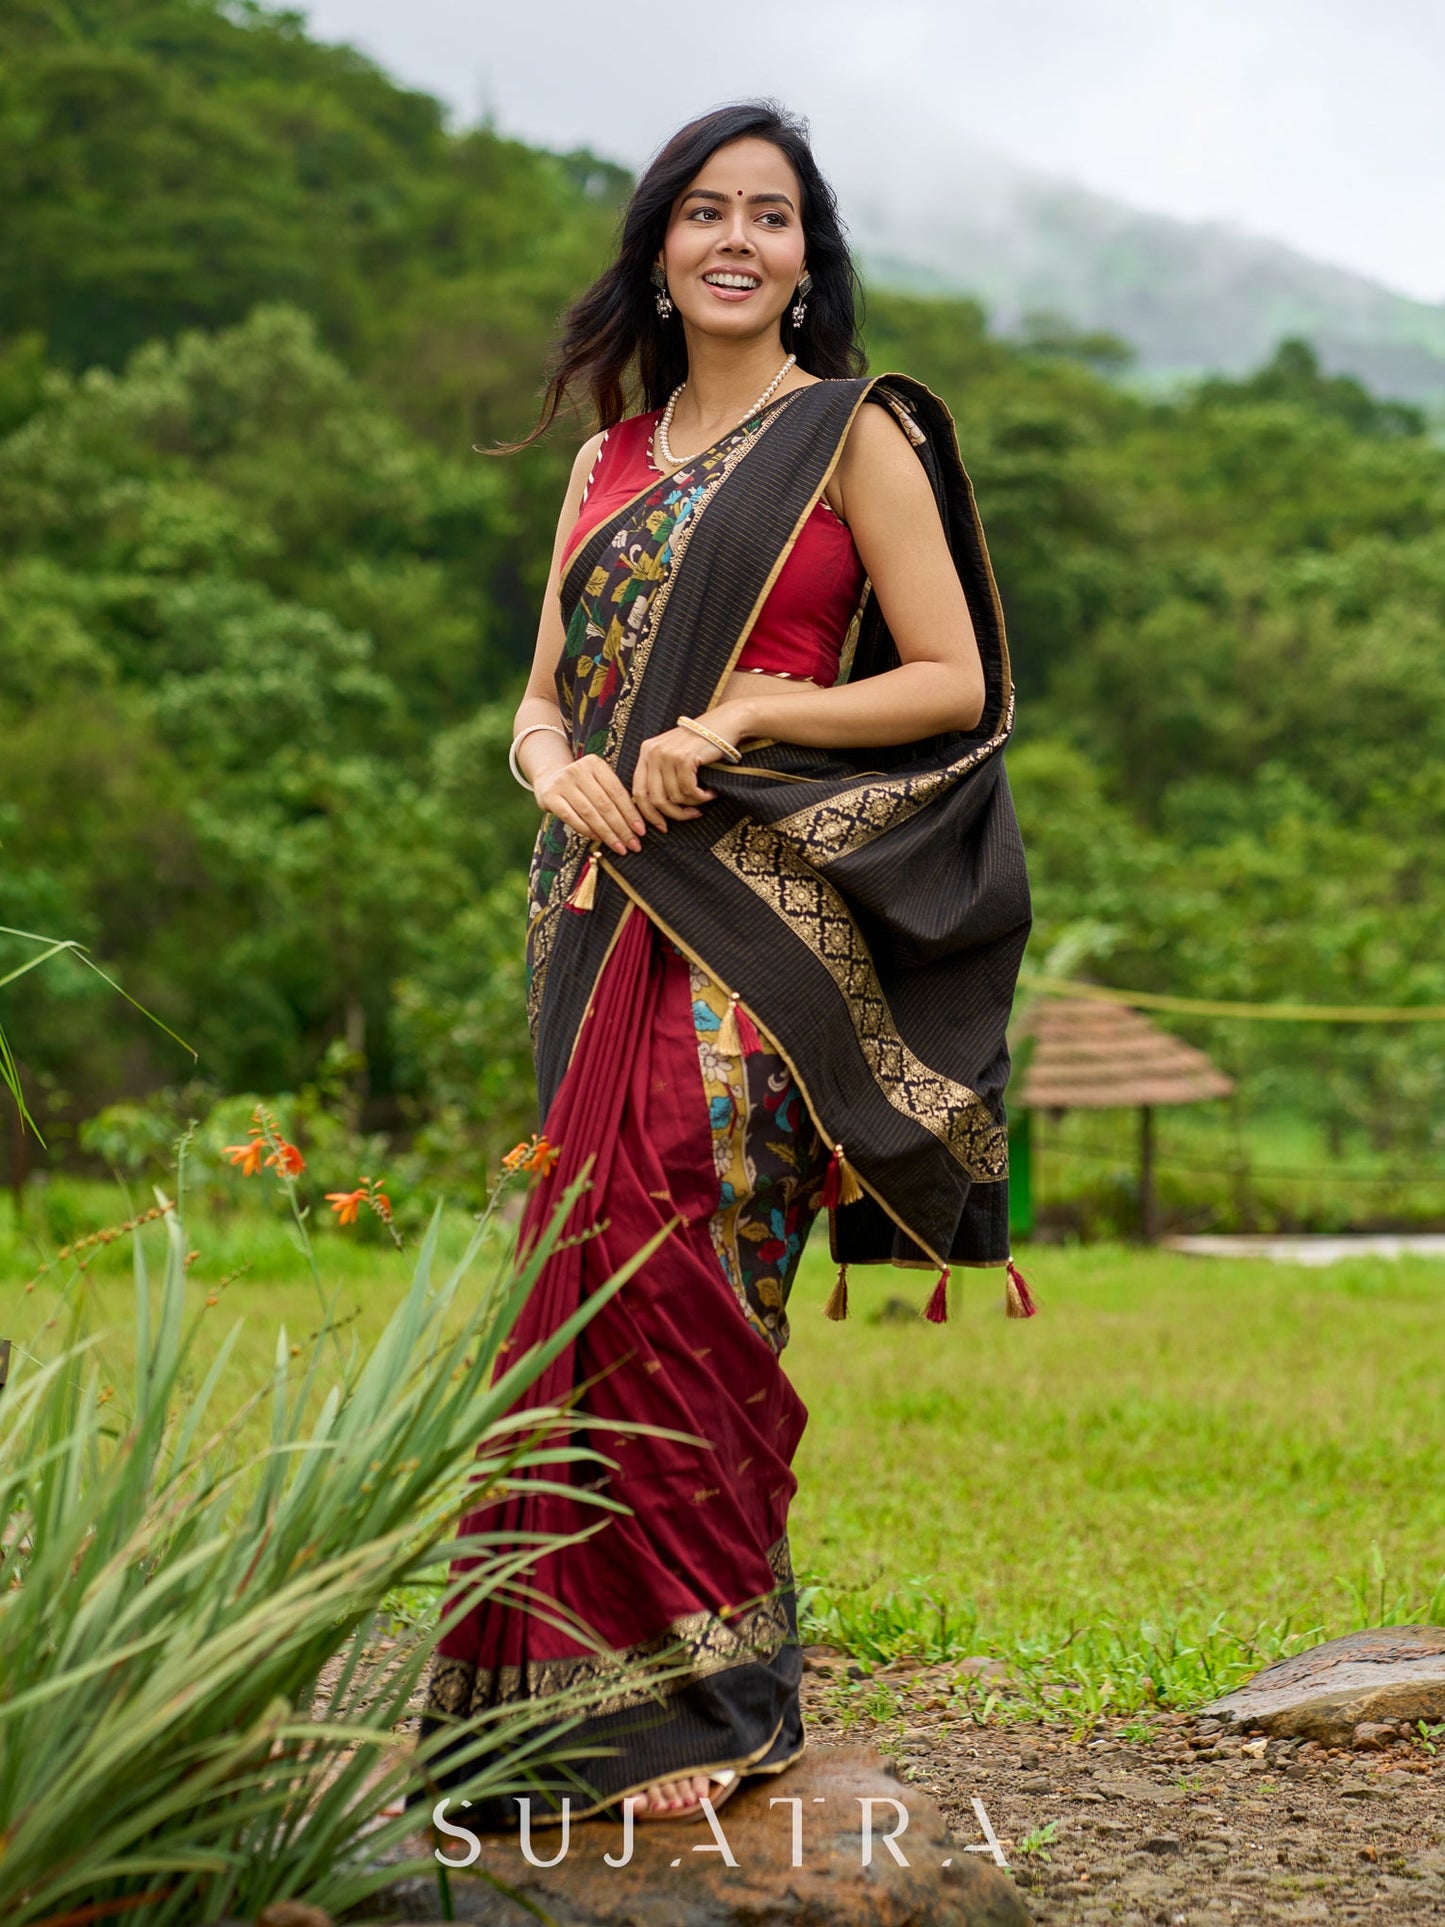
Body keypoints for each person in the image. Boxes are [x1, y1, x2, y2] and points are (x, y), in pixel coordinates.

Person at [419, 99, 1032, 1830]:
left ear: (804, 257)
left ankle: (712, 1694)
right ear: (660, 250)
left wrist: (759, 707)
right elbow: (539, 698)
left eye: (771, 214)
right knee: (577, 1267)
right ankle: (545, 1711)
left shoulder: (851, 435)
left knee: (691, 1252)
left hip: (755, 921)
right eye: (705, 211)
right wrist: (555, 767)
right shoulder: (603, 466)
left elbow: (952, 684)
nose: (737, 239)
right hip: (594, 909)